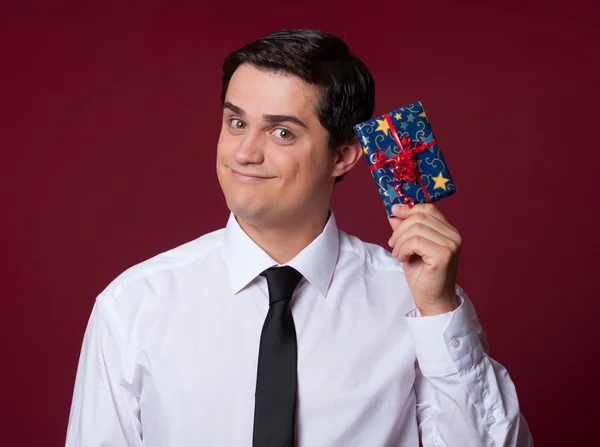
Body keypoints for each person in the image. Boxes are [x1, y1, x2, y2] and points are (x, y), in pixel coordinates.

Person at [66, 29, 533, 446]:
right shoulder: (133, 305)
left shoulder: (412, 303)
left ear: (344, 156)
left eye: (282, 132)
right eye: (237, 122)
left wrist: (438, 313)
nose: (245, 153)